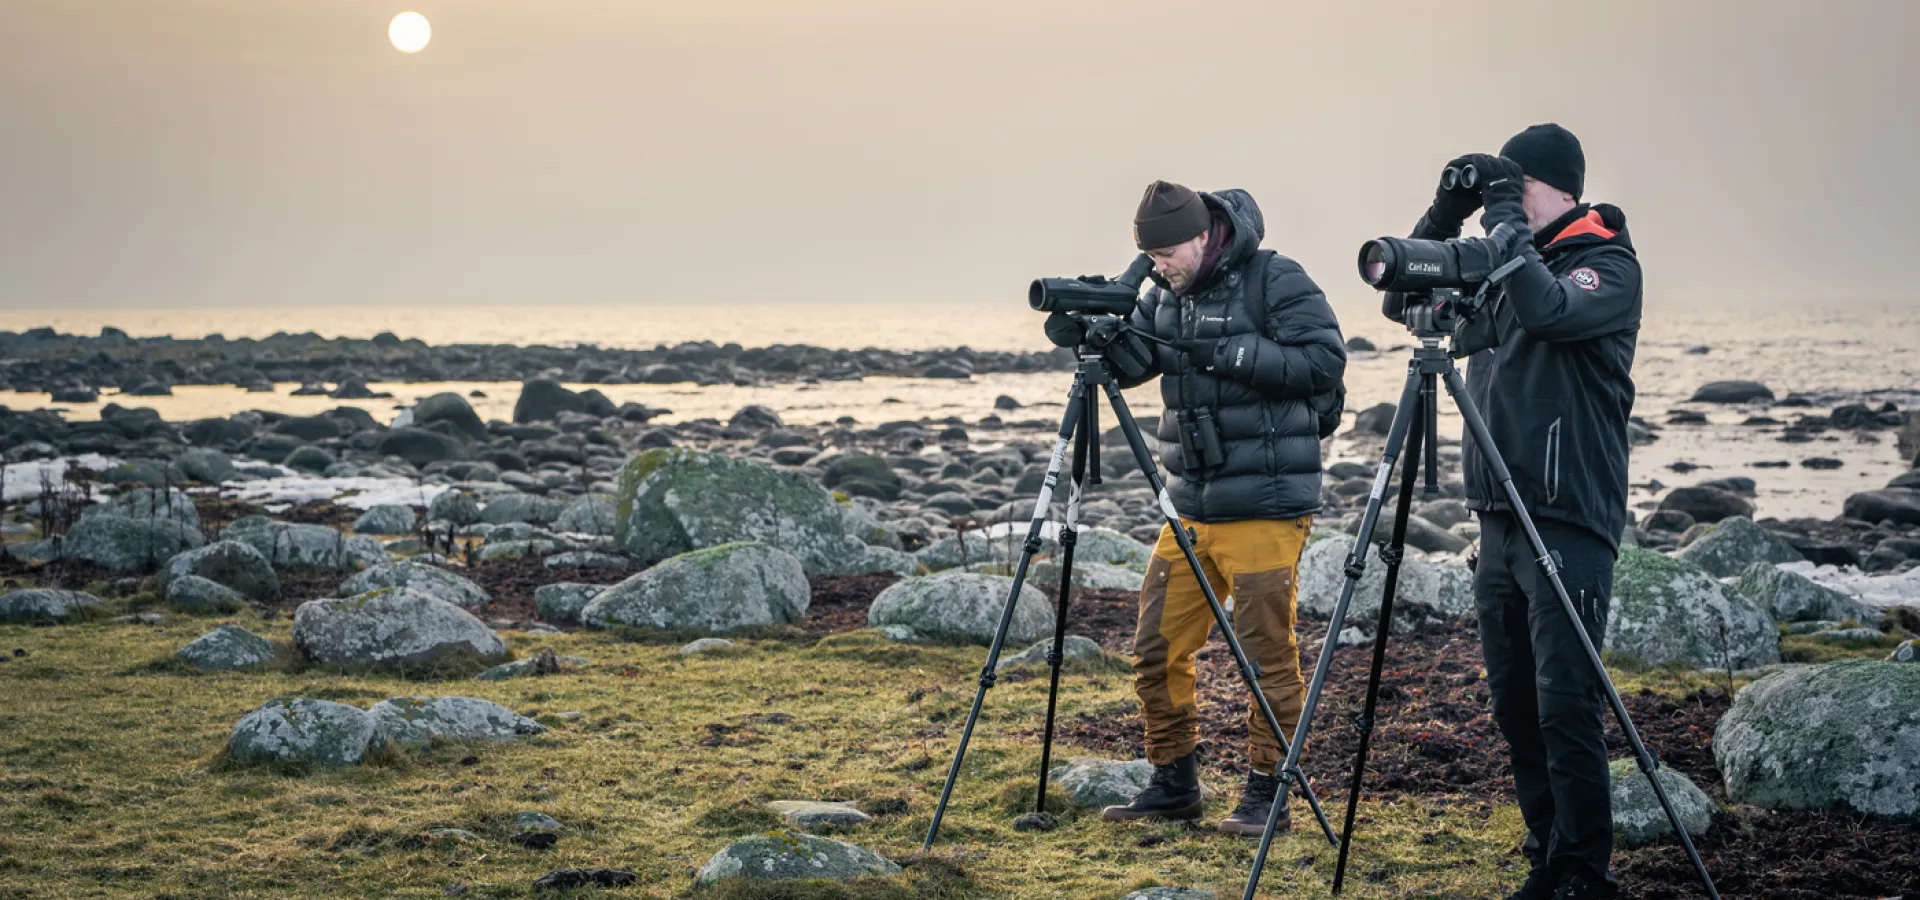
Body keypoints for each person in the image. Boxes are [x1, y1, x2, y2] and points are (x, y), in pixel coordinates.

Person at [1045, 180, 1347, 836]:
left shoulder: (1275, 278)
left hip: (1268, 504)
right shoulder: (1164, 294)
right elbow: (1137, 364)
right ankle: (1173, 784)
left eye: (1168, 251)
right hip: (1190, 506)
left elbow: (1326, 360)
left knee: (1267, 654)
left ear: (1206, 235)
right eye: (1149, 255)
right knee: (1155, 646)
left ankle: (1268, 796)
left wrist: (1237, 353)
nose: (1160, 264)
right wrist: (1091, 335)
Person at [1407, 124, 1642, 900]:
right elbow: (1409, 299)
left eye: (1519, 190)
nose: (1501, 210)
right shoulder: (1510, 265)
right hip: (1499, 522)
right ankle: (1547, 859)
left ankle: (1585, 875)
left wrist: (1505, 223)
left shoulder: (1607, 265)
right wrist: (1445, 215)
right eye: (1498, 197)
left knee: (1564, 704)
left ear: (1561, 190)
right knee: (1515, 705)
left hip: (1569, 519)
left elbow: (1546, 311)